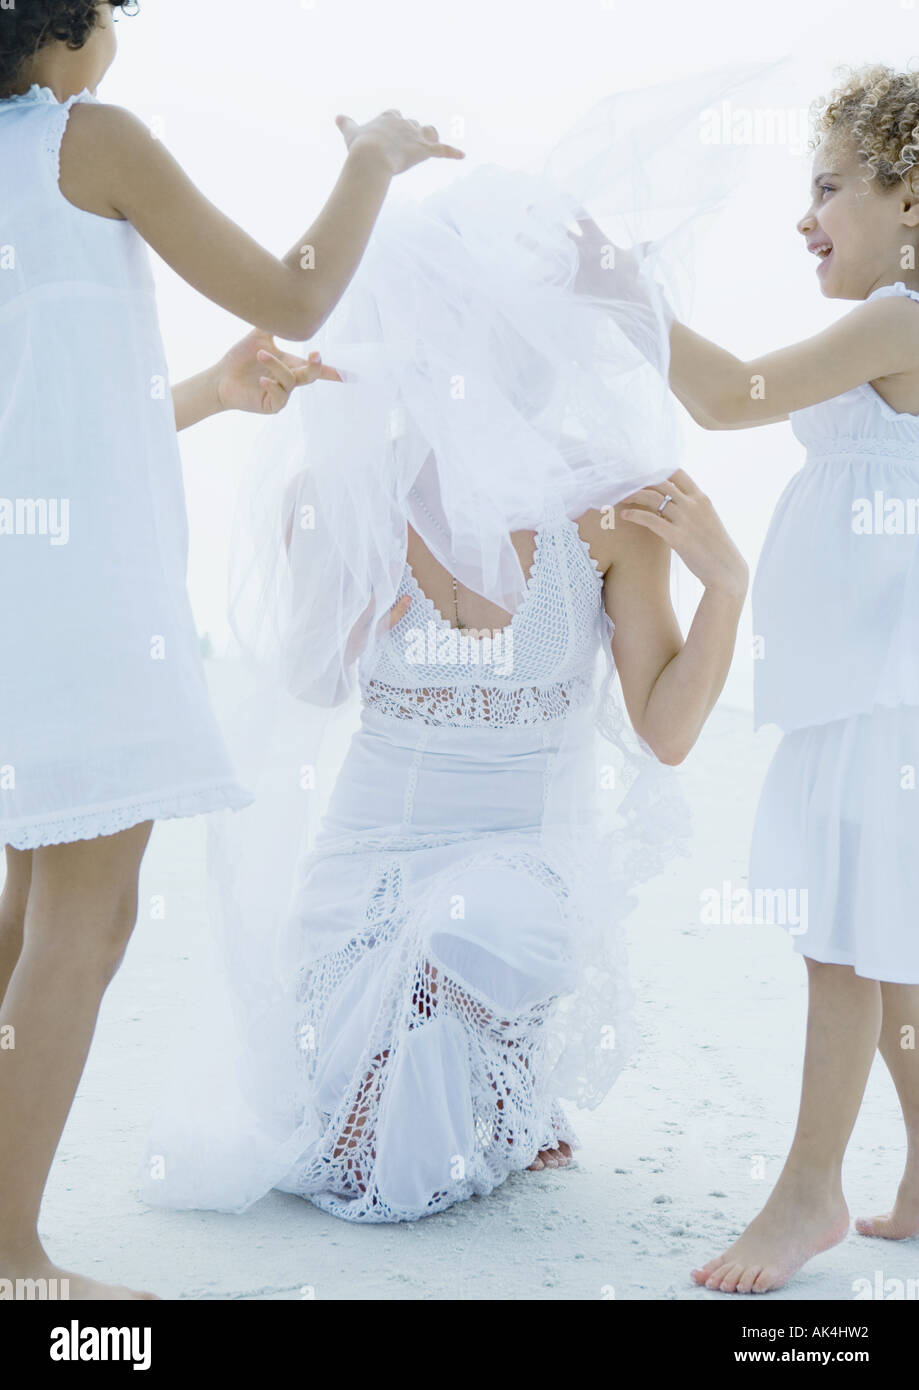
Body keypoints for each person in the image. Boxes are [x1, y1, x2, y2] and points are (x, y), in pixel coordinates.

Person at [0, 0, 461, 1298]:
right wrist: (372, 152)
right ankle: (9, 1254)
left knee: (35, 905)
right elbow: (299, 285)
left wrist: (206, 390)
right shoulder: (84, 137)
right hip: (87, 594)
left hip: (23, 584)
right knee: (84, 916)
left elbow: (46, 409)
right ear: (72, 23)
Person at [601, 61, 919, 1294]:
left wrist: (628, 298)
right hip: (866, 678)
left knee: (845, 933)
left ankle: (807, 1193)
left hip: (878, 688)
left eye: (830, 187)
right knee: (882, 936)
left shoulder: (900, 314)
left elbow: (732, 398)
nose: (805, 217)